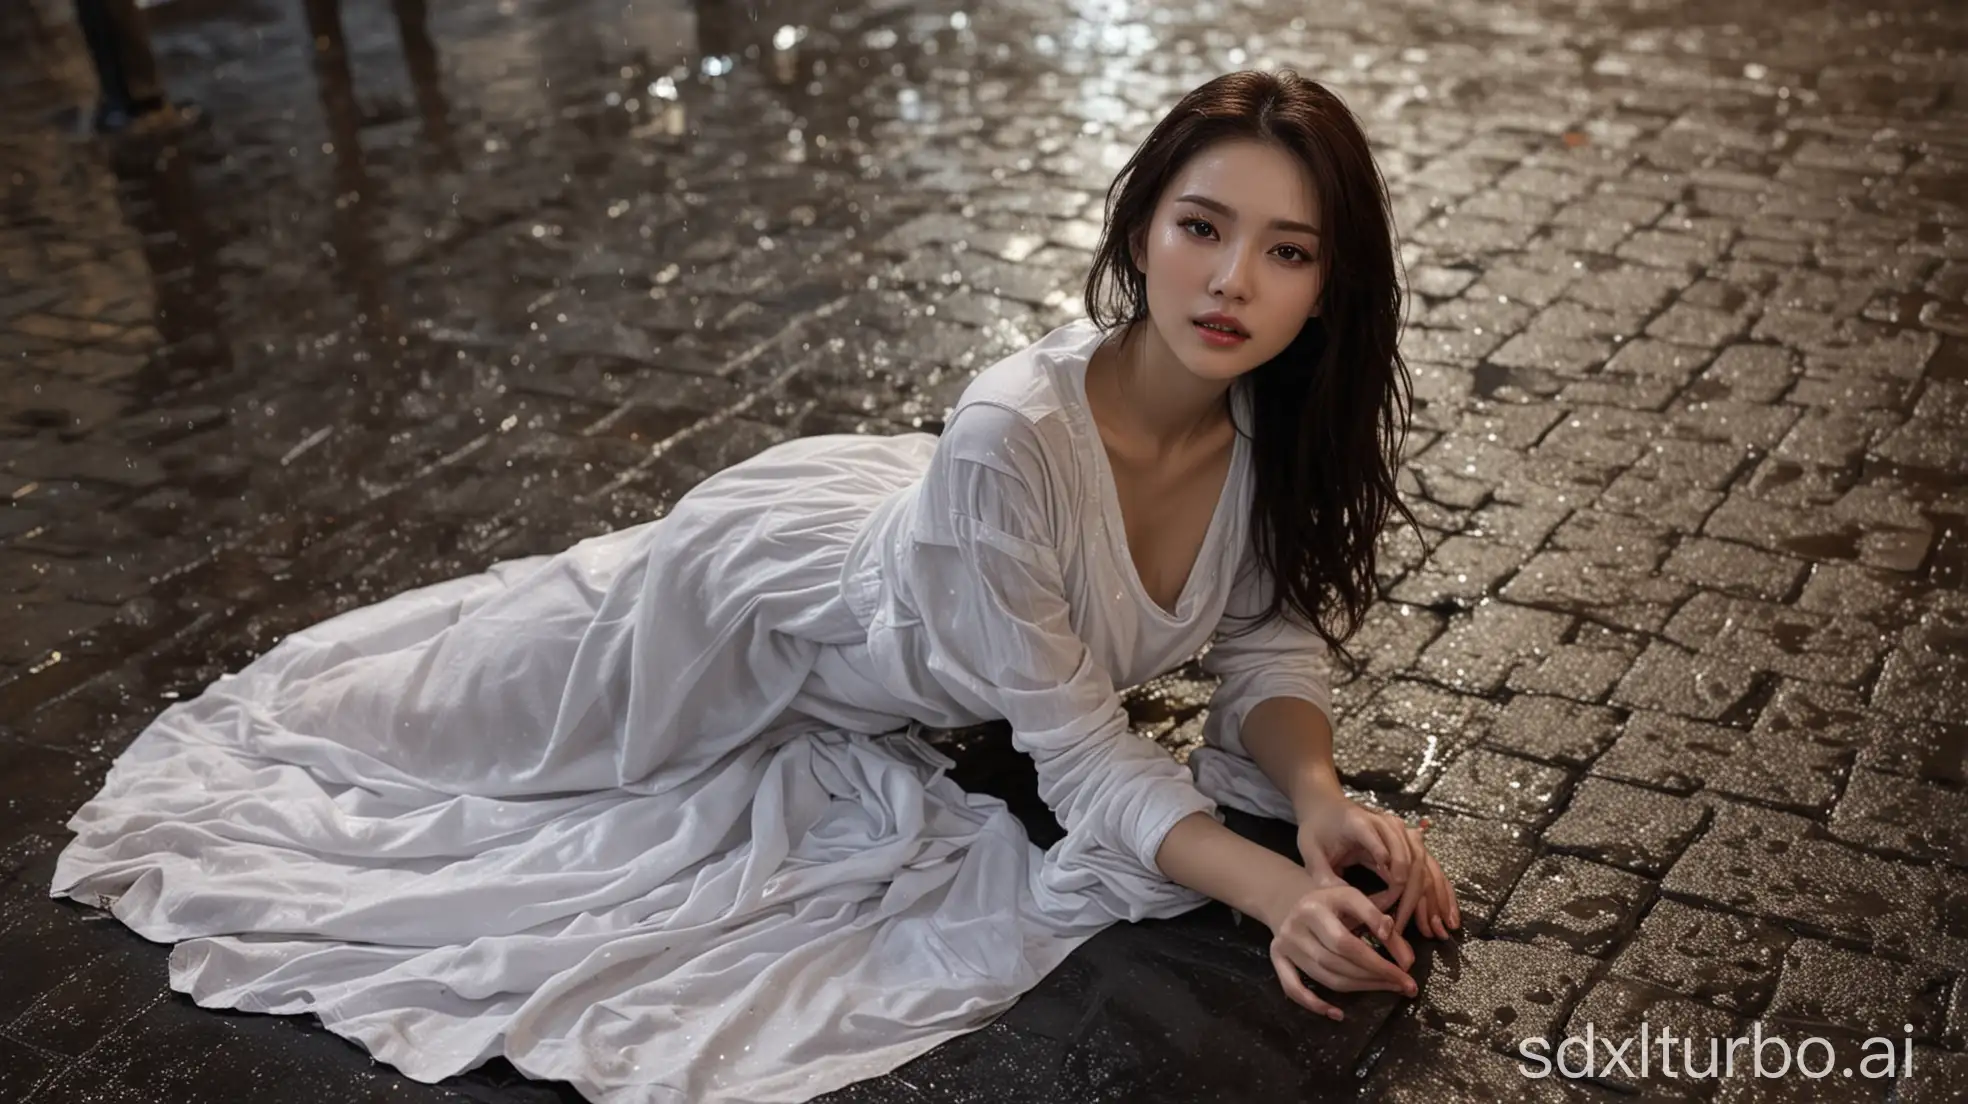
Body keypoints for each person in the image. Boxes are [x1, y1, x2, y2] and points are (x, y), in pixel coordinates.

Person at [51, 69, 1457, 1102]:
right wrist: (1276, 895)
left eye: (1287, 251)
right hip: (757, 608)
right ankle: (394, 694)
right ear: (1143, 226)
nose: (1231, 283)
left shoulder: (1282, 424)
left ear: (1330, 289)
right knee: (436, 735)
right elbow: (1085, 761)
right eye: (1202, 228)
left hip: (901, 560)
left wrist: (1323, 806)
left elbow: (1272, 644)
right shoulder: (1017, 433)